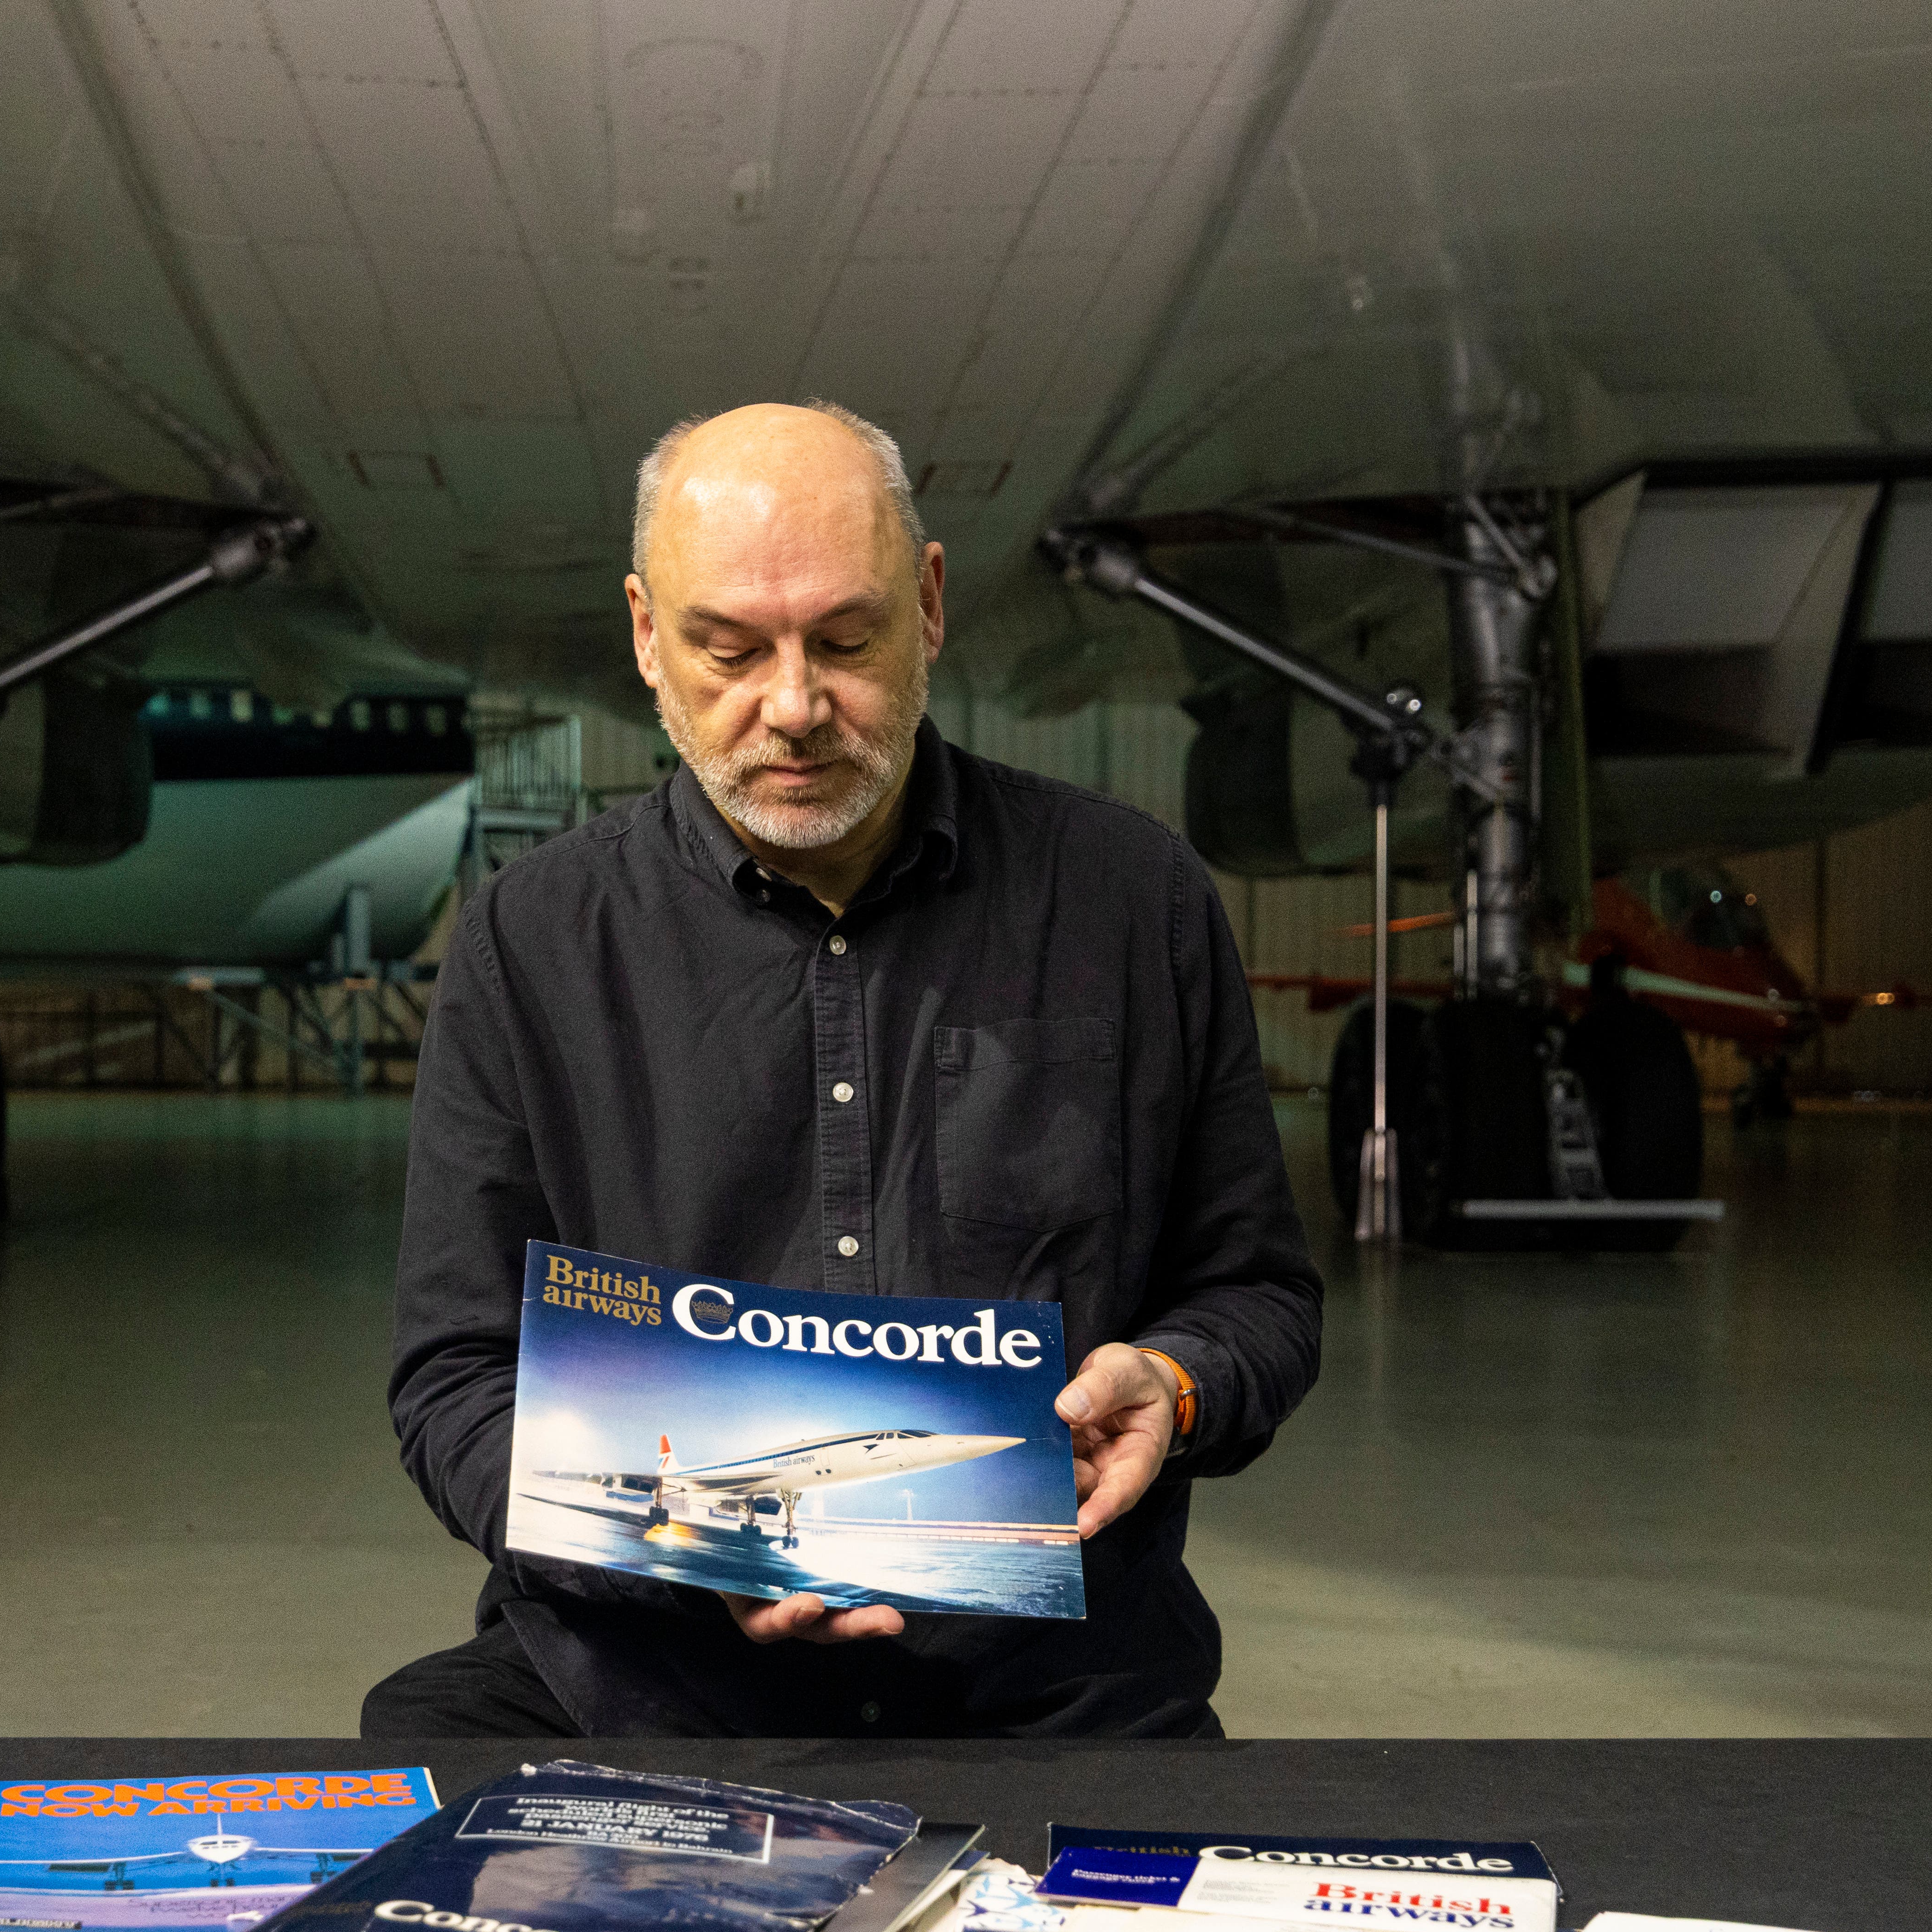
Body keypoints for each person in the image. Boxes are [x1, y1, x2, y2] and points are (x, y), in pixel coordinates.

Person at [364, 400, 1320, 1740]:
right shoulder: (533, 942)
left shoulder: (1131, 899)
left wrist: (1177, 1381)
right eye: (729, 649)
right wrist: (671, 1541)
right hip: (645, 1674)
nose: (796, 705)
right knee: (428, 1752)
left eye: (848, 640)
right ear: (647, 635)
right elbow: (456, 1378)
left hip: (1051, 1683)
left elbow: (1257, 1292)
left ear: (929, 606)